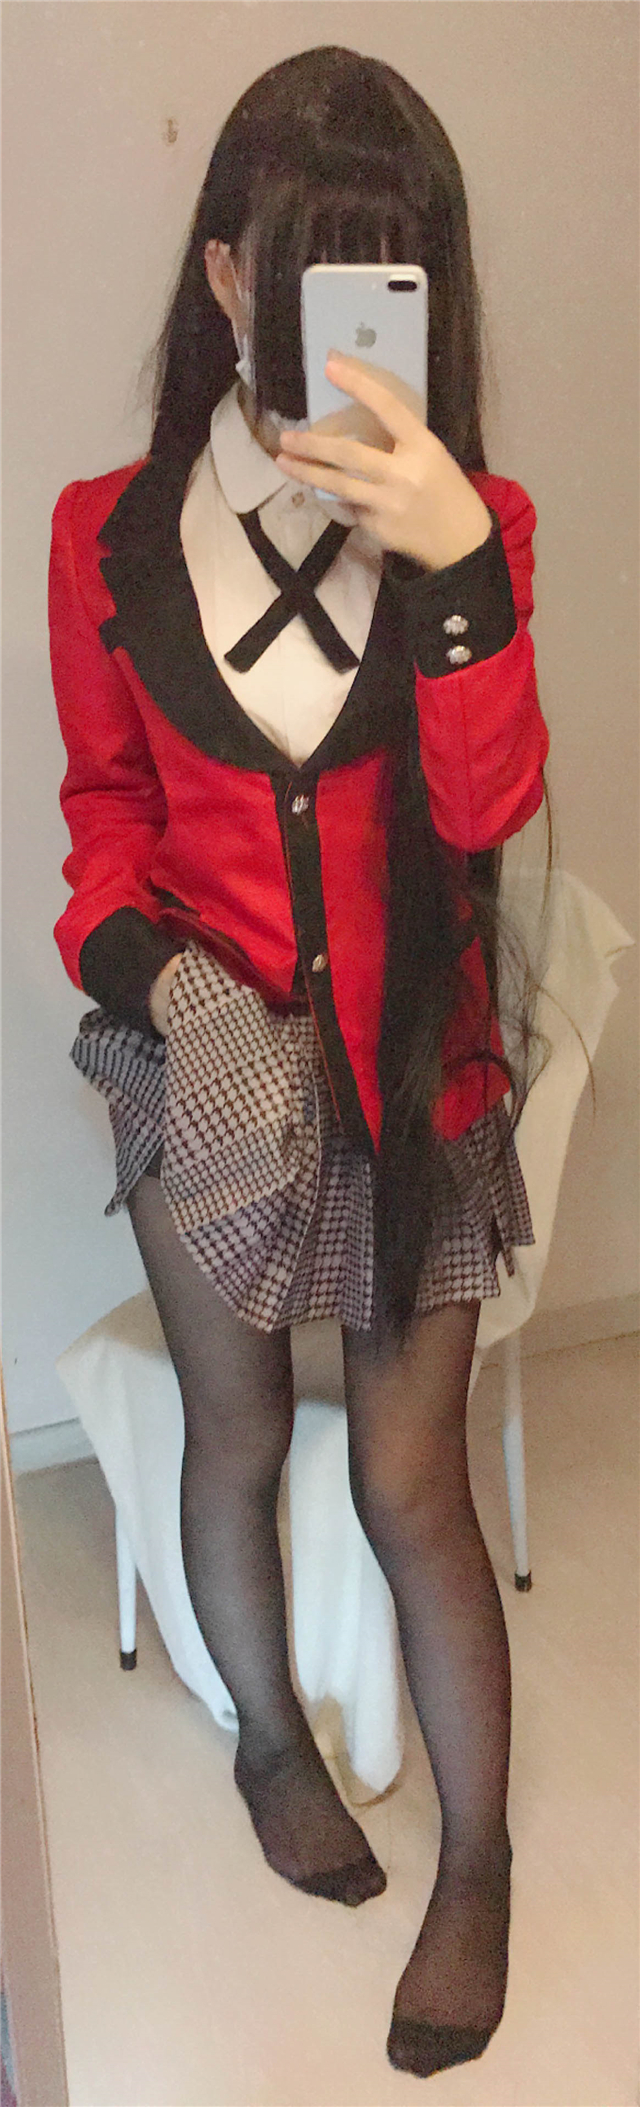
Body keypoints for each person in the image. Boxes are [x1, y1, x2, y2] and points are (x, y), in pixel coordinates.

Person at [49, 46, 556, 2081]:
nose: (348, 322)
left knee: (408, 1481)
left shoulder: (479, 531)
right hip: (212, 1080)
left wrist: (451, 563)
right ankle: (270, 1742)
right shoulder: (106, 538)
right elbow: (102, 824)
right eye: (310, 271)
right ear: (225, 272)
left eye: (393, 278)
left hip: (414, 1084)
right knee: (238, 1434)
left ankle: (480, 1861)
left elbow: (488, 811)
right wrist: (163, 981)